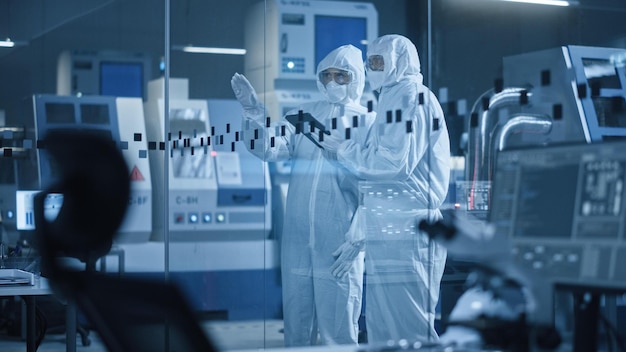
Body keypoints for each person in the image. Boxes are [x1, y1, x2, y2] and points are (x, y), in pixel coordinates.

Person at [230, 44, 375, 347]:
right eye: (327, 75)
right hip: (297, 237)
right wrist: (254, 115)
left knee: (339, 330)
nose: (332, 82)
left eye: (341, 76)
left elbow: (374, 183)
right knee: (296, 326)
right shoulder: (302, 116)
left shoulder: (368, 123)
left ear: (357, 78)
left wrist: (361, 232)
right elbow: (270, 149)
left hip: (338, 239)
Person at [316, 34, 451, 344]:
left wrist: (344, 148)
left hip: (411, 230)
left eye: (378, 61)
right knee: (384, 328)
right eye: (370, 62)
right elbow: (380, 171)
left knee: (410, 326)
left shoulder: (412, 96)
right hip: (391, 229)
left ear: (399, 62)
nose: (372, 67)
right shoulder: (392, 97)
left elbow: (392, 165)